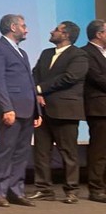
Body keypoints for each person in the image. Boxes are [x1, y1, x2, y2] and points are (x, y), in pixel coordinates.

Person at [0, 15, 41, 207]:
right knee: (4, 151)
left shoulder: (22, 52)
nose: (27, 29)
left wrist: (37, 111)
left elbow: (30, 83)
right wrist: (6, 108)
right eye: (24, 26)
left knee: (21, 153)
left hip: (27, 109)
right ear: (13, 27)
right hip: (10, 109)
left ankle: (15, 191)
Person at [29, 21, 88, 203]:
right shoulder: (46, 53)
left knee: (68, 152)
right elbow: (35, 74)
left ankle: (72, 190)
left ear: (66, 34)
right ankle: (44, 189)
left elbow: (69, 78)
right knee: (41, 152)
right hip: (42, 109)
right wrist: (36, 93)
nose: (52, 31)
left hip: (65, 110)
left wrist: (40, 89)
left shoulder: (79, 55)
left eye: (56, 30)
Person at [82, 20, 106, 203]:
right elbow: (97, 78)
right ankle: (96, 188)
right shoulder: (85, 53)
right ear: (99, 34)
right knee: (99, 150)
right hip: (99, 108)